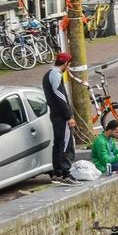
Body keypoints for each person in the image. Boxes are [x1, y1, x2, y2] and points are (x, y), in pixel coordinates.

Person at [42, 52, 77, 184]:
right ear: (66, 64)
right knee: (65, 144)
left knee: (58, 143)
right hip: (62, 117)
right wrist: (69, 116)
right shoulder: (56, 75)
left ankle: (57, 173)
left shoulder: (48, 74)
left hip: (56, 115)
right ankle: (66, 174)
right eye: (69, 65)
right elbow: (60, 96)